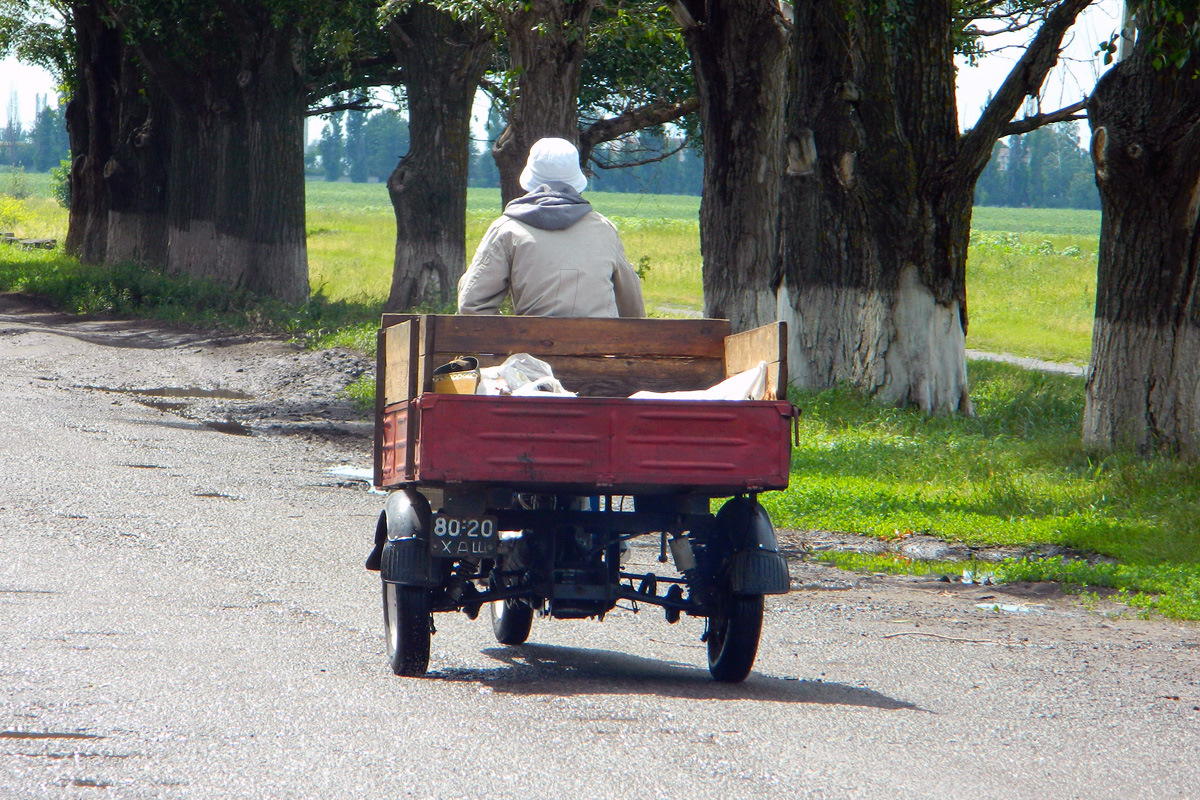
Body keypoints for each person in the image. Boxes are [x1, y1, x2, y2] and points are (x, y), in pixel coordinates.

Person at [457, 137, 645, 318]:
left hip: (531, 348)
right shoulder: (604, 229)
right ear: (576, 179)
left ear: (530, 179)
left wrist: (511, 335)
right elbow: (632, 306)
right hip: (600, 349)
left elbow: (471, 304)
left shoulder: (508, 229)